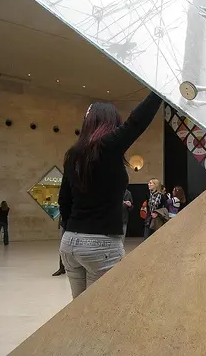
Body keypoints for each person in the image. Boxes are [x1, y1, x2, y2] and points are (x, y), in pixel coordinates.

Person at [58, 91, 162, 299]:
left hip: (70, 243)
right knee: (102, 315)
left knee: (79, 312)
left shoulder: (73, 154)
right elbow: (136, 122)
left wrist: (77, 230)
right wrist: (160, 91)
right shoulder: (107, 147)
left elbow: (64, 201)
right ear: (110, 123)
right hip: (101, 244)